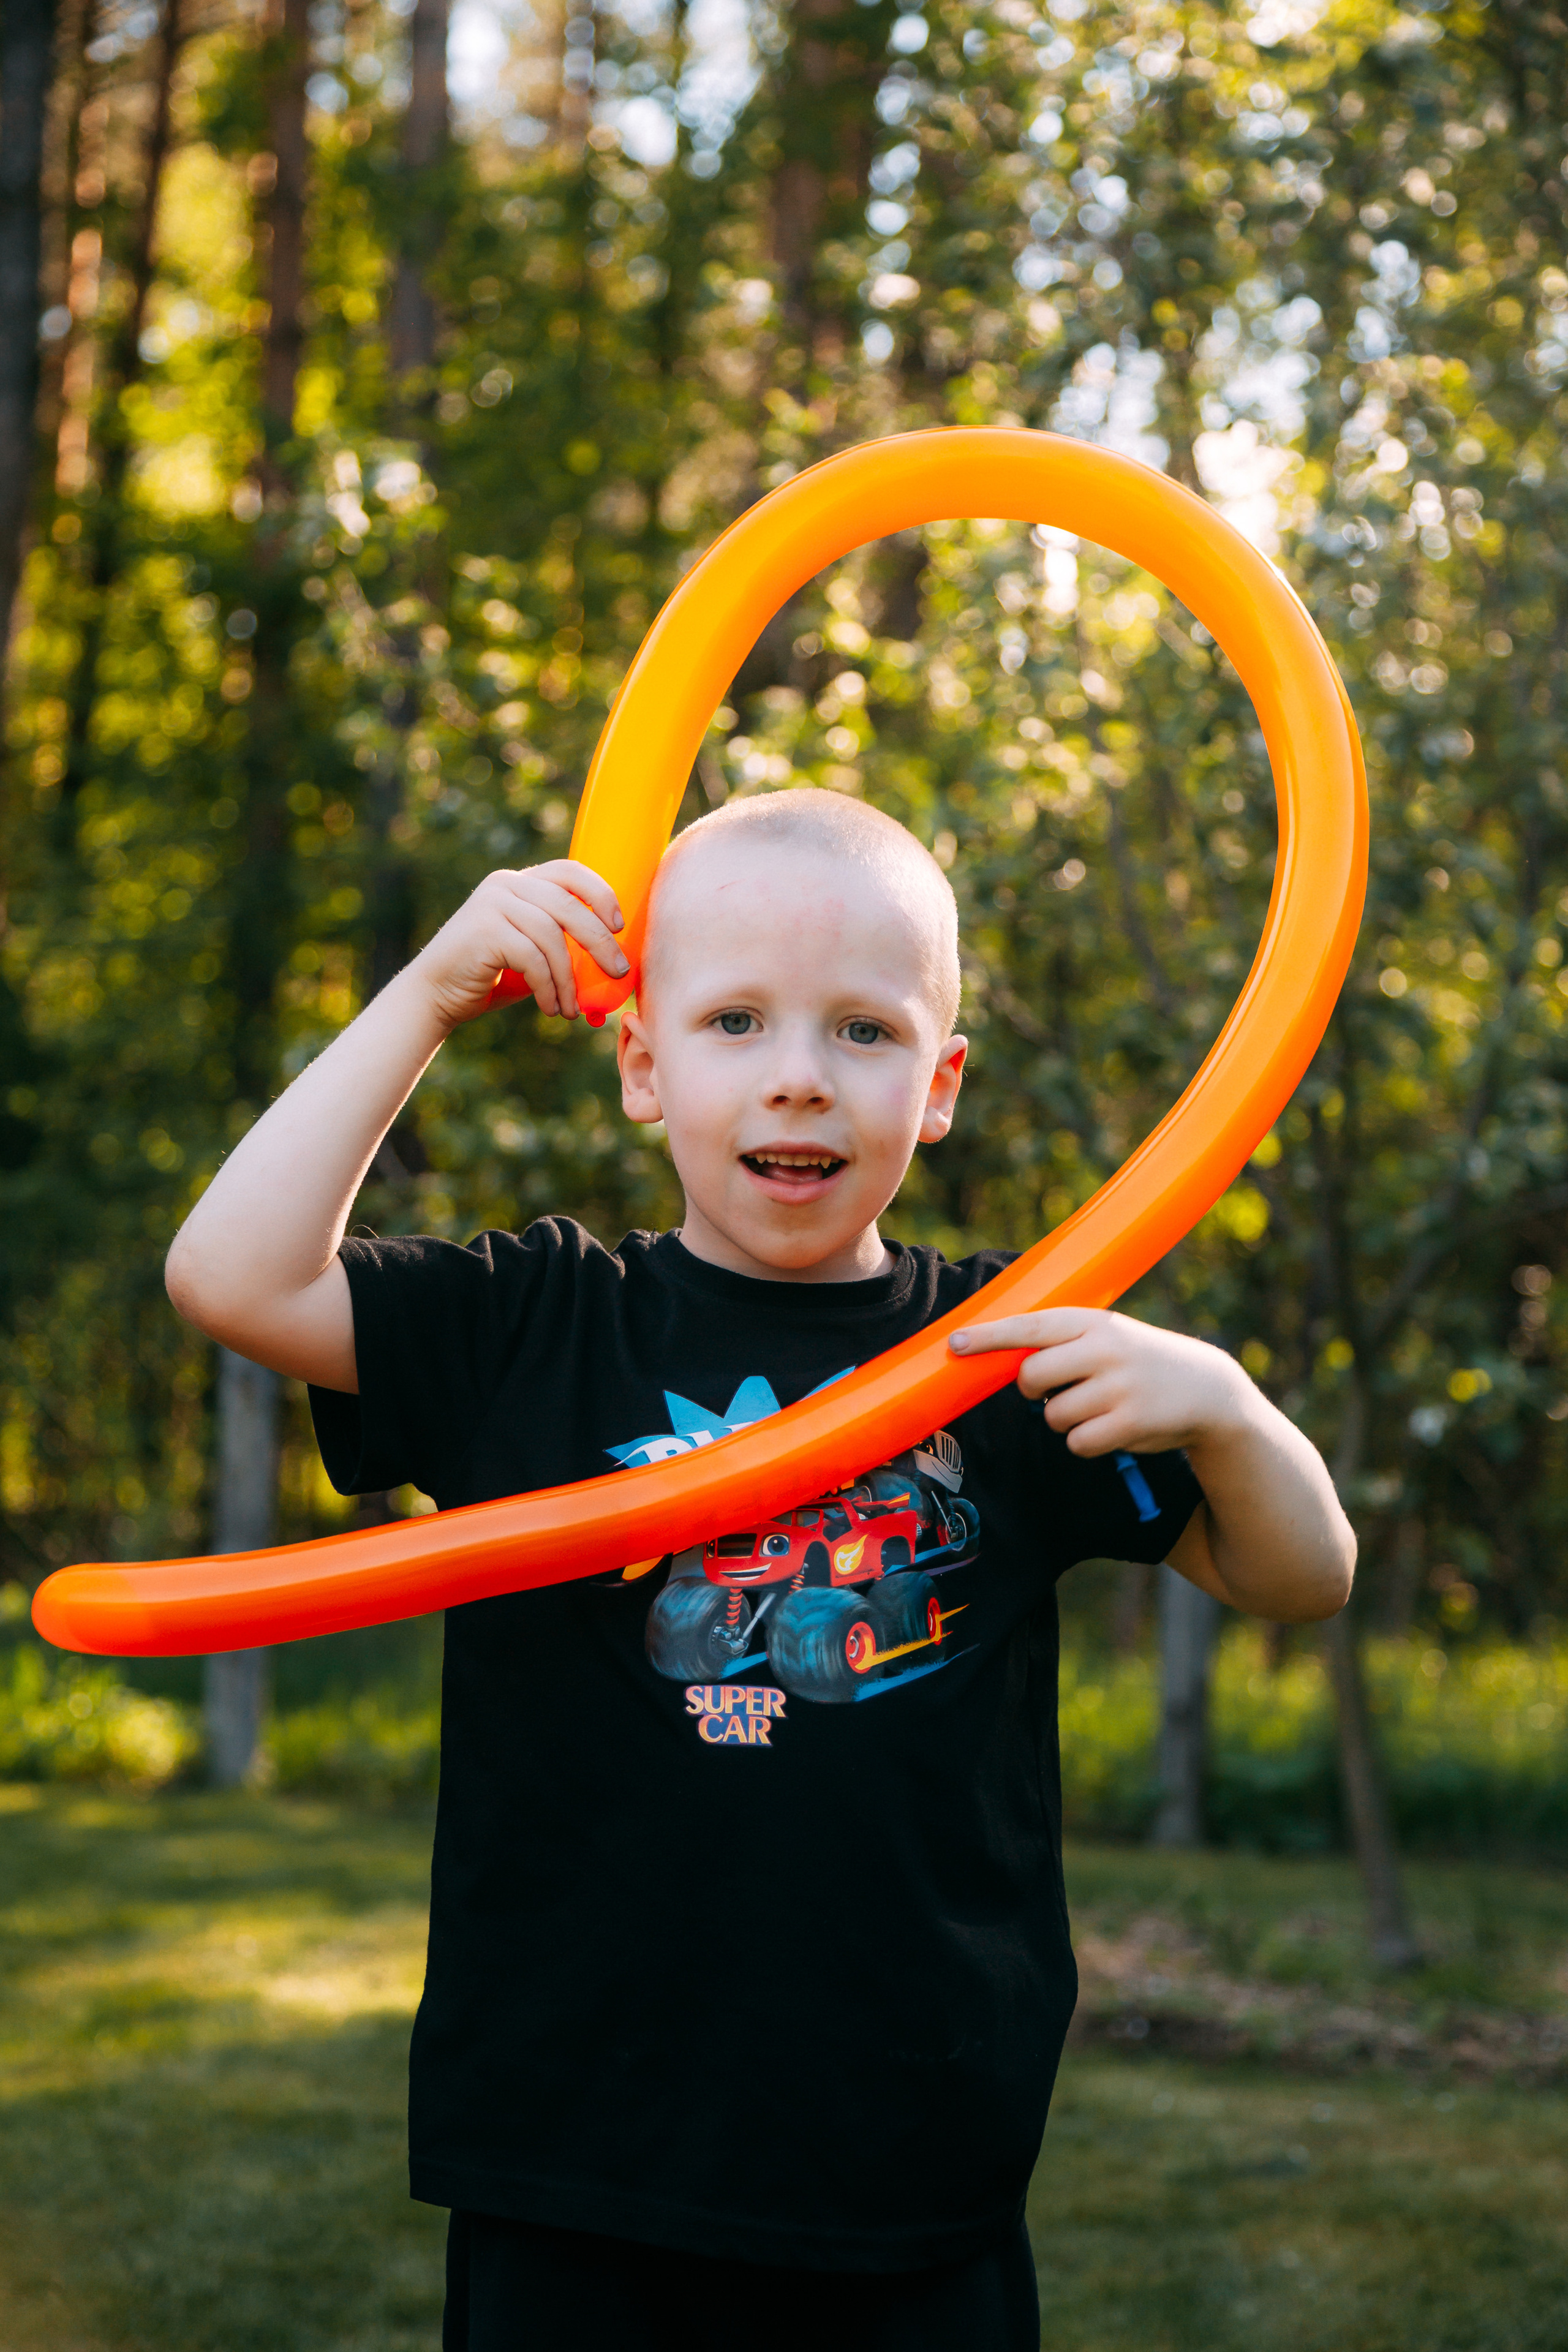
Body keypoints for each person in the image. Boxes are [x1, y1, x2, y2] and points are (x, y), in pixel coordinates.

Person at [165, 788, 1354, 2352]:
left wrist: (1230, 1410)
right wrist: (430, 992)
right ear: (644, 1064)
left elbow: (1299, 1577)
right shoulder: (534, 1324)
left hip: (912, 2158)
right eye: (733, 1020)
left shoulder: (1007, 1349)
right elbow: (228, 1274)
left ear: (936, 1088)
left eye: (861, 1032)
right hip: (573, 2150)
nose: (797, 1079)